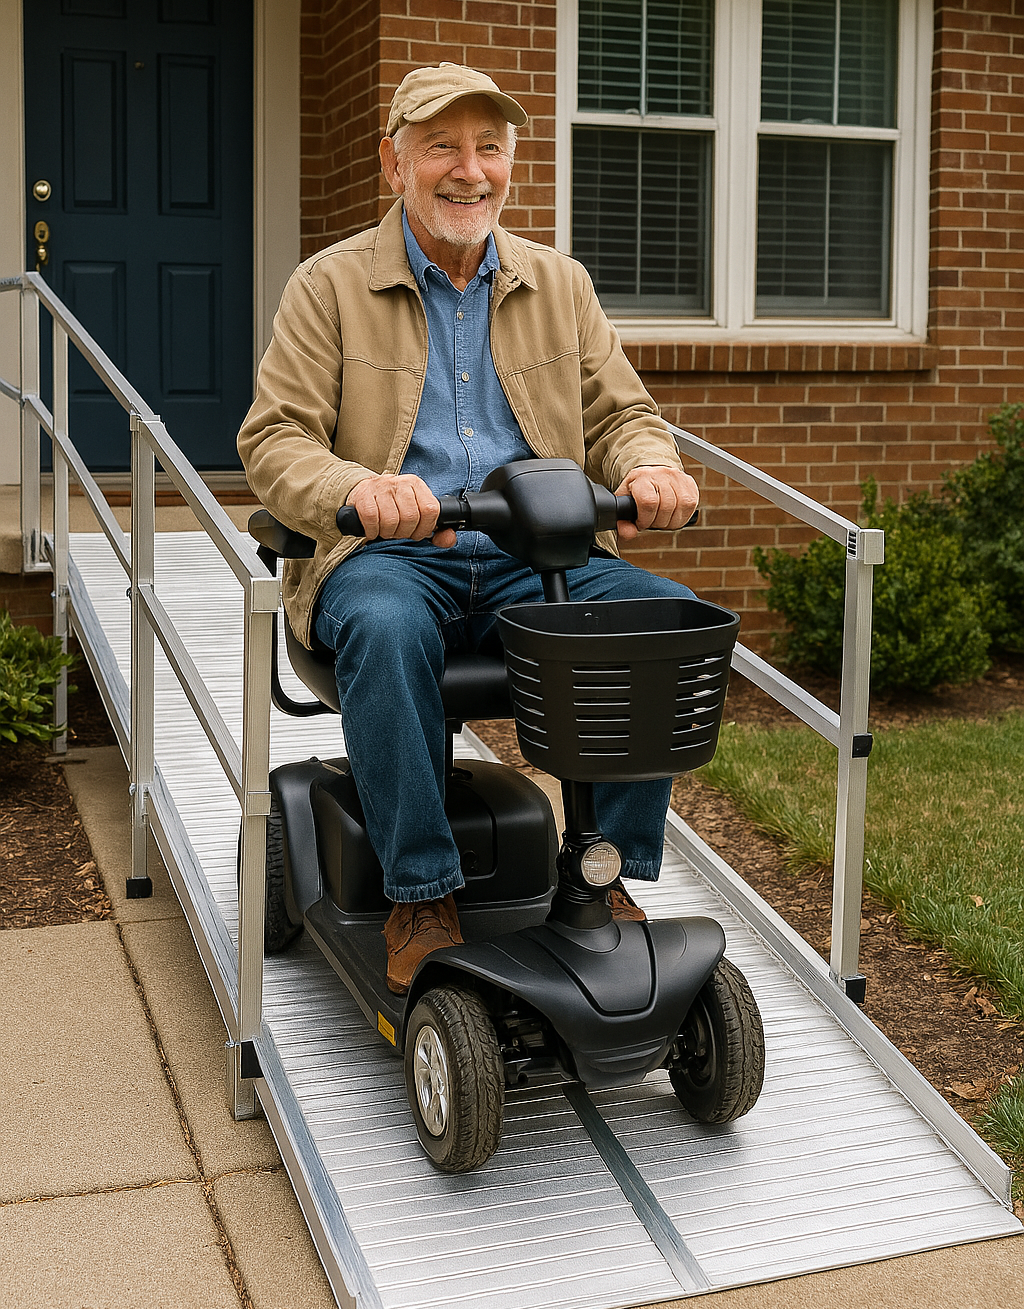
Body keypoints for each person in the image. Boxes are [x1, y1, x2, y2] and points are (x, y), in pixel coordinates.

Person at [238, 62, 700, 994]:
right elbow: (274, 438)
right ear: (393, 164)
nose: (469, 168)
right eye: (442, 145)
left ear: (510, 165)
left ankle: (606, 869)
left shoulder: (559, 284)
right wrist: (360, 490)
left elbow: (622, 415)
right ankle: (419, 889)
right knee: (387, 624)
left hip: (539, 560)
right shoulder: (326, 287)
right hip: (394, 558)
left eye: (489, 146)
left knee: (664, 616)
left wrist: (650, 466)